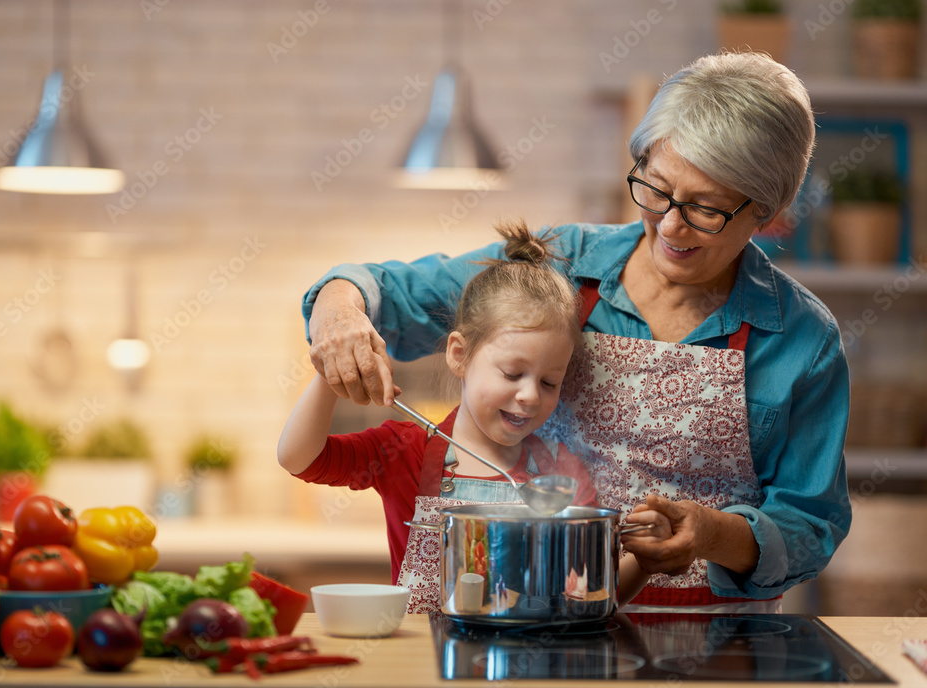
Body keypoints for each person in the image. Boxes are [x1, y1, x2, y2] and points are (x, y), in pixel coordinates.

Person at [301, 52, 852, 613]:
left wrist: (713, 535)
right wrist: (339, 312)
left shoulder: (802, 340)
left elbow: (811, 525)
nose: (669, 224)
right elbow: (386, 292)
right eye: (657, 190)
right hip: (541, 629)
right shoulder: (558, 263)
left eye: (705, 209)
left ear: (767, 210)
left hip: (714, 647)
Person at [279, 221, 672, 613]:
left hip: (525, 668)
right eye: (513, 374)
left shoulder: (560, 473)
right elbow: (299, 459)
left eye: (551, 382)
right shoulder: (405, 451)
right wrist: (331, 373)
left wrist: (646, 560)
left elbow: (586, 596)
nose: (531, 395)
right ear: (458, 354)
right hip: (425, 667)